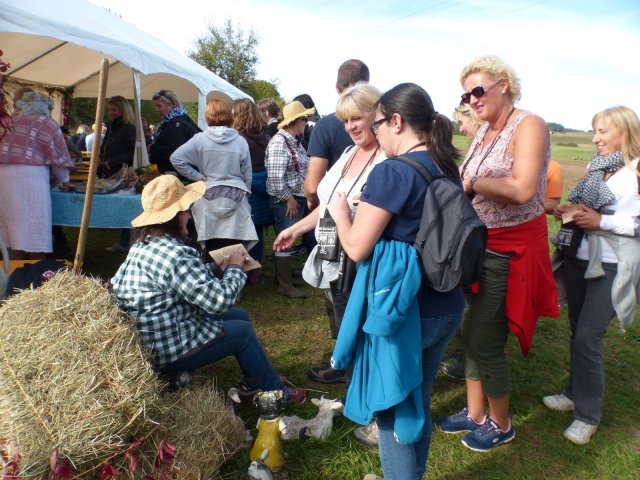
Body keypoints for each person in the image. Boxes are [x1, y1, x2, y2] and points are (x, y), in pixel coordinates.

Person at [327, 83, 465, 480]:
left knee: (391, 409)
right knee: (416, 400)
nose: (376, 133)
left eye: (378, 125)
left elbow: (356, 247)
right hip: (446, 304)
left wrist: (341, 213)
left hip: (405, 314)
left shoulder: (392, 171)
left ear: (397, 122)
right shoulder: (445, 165)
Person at [435, 55, 559, 452]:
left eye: (477, 90)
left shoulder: (529, 124)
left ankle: (501, 423)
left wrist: (473, 181)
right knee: (468, 333)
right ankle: (475, 413)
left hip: (510, 251)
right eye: (466, 95)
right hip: (477, 247)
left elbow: (523, 189)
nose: (472, 100)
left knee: (486, 340)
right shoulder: (485, 132)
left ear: (503, 84)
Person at [110, 175, 306, 404]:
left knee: (239, 316)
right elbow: (220, 301)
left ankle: (253, 379)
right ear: (174, 217)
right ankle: (276, 392)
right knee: (242, 333)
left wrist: (214, 267)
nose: (189, 215)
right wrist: (235, 268)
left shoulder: (144, 245)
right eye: (185, 210)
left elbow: (181, 280)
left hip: (154, 335)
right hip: (167, 349)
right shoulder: (176, 255)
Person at [544, 106, 640, 445]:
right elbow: (588, 211)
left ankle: (587, 416)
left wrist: (602, 221)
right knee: (577, 332)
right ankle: (573, 392)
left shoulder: (636, 169)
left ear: (625, 132)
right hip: (579, 258)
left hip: (613, 265)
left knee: (588, 338)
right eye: (594, 131)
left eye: (602, 131)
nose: (595, 138)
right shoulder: (596, 167)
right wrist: (569, 213)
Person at [170, 99, 257, 254]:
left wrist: (197, 176)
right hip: (236, 197)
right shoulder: (240, 141)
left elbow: (176, 158)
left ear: (207, 116)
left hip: (208, 196)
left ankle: (213, 268)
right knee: (235, 248)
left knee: (211, 247)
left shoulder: (199, 139)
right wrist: (246, 195)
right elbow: (247, 174)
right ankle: (234, 267)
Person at [0, 92, 73, 260]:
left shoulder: (12, 121)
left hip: (4, 176)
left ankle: (13, 268)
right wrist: (65, 180)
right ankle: (37, 266)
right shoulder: (48, 123)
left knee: (11, 225)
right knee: (35, 223)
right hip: (31, 177)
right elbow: (58, 158)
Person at [265, 100, 315, 299]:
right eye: (305, 119)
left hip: (294, 198)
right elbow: (275, 178)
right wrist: (289, 199)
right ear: (298, 121)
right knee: (286, 239)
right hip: (286, 201)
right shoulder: (279, 143)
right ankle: (284, 284)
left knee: (288, 239)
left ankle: (282, 278)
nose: (307, 122)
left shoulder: (293, 140)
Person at [305, 59, 370, 211]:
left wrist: (314, 201)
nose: (350, 127)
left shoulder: (325, 126)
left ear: (337, 88)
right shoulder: (383, 124)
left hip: (336, 209)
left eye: (356, 119)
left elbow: (312, 188)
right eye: (346, 121)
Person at [232, 98, 273, 264]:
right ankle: (255, 266)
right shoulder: (266, 136)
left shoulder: (238, 139)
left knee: (245, 231)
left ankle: (245, 267)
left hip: (248, 187)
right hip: (264, 185)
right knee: (257, 231)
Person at [100, 95, 137, 254]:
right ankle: (122, 239)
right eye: (110, 110)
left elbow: (132, 152)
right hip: (110, 172)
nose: (111, 113)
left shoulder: (128, 128)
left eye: (114, 110)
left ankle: (125, 241)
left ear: (123, 110)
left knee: (124, 207)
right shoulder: (112, 127)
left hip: (122, 174)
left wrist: (113, 161)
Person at [148, 89, 201, 176]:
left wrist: (152, 148)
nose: (156, 109)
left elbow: (174, 151)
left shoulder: (176, 125)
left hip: (177, 175)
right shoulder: (184, 119)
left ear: (170, 105)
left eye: (159, 106)